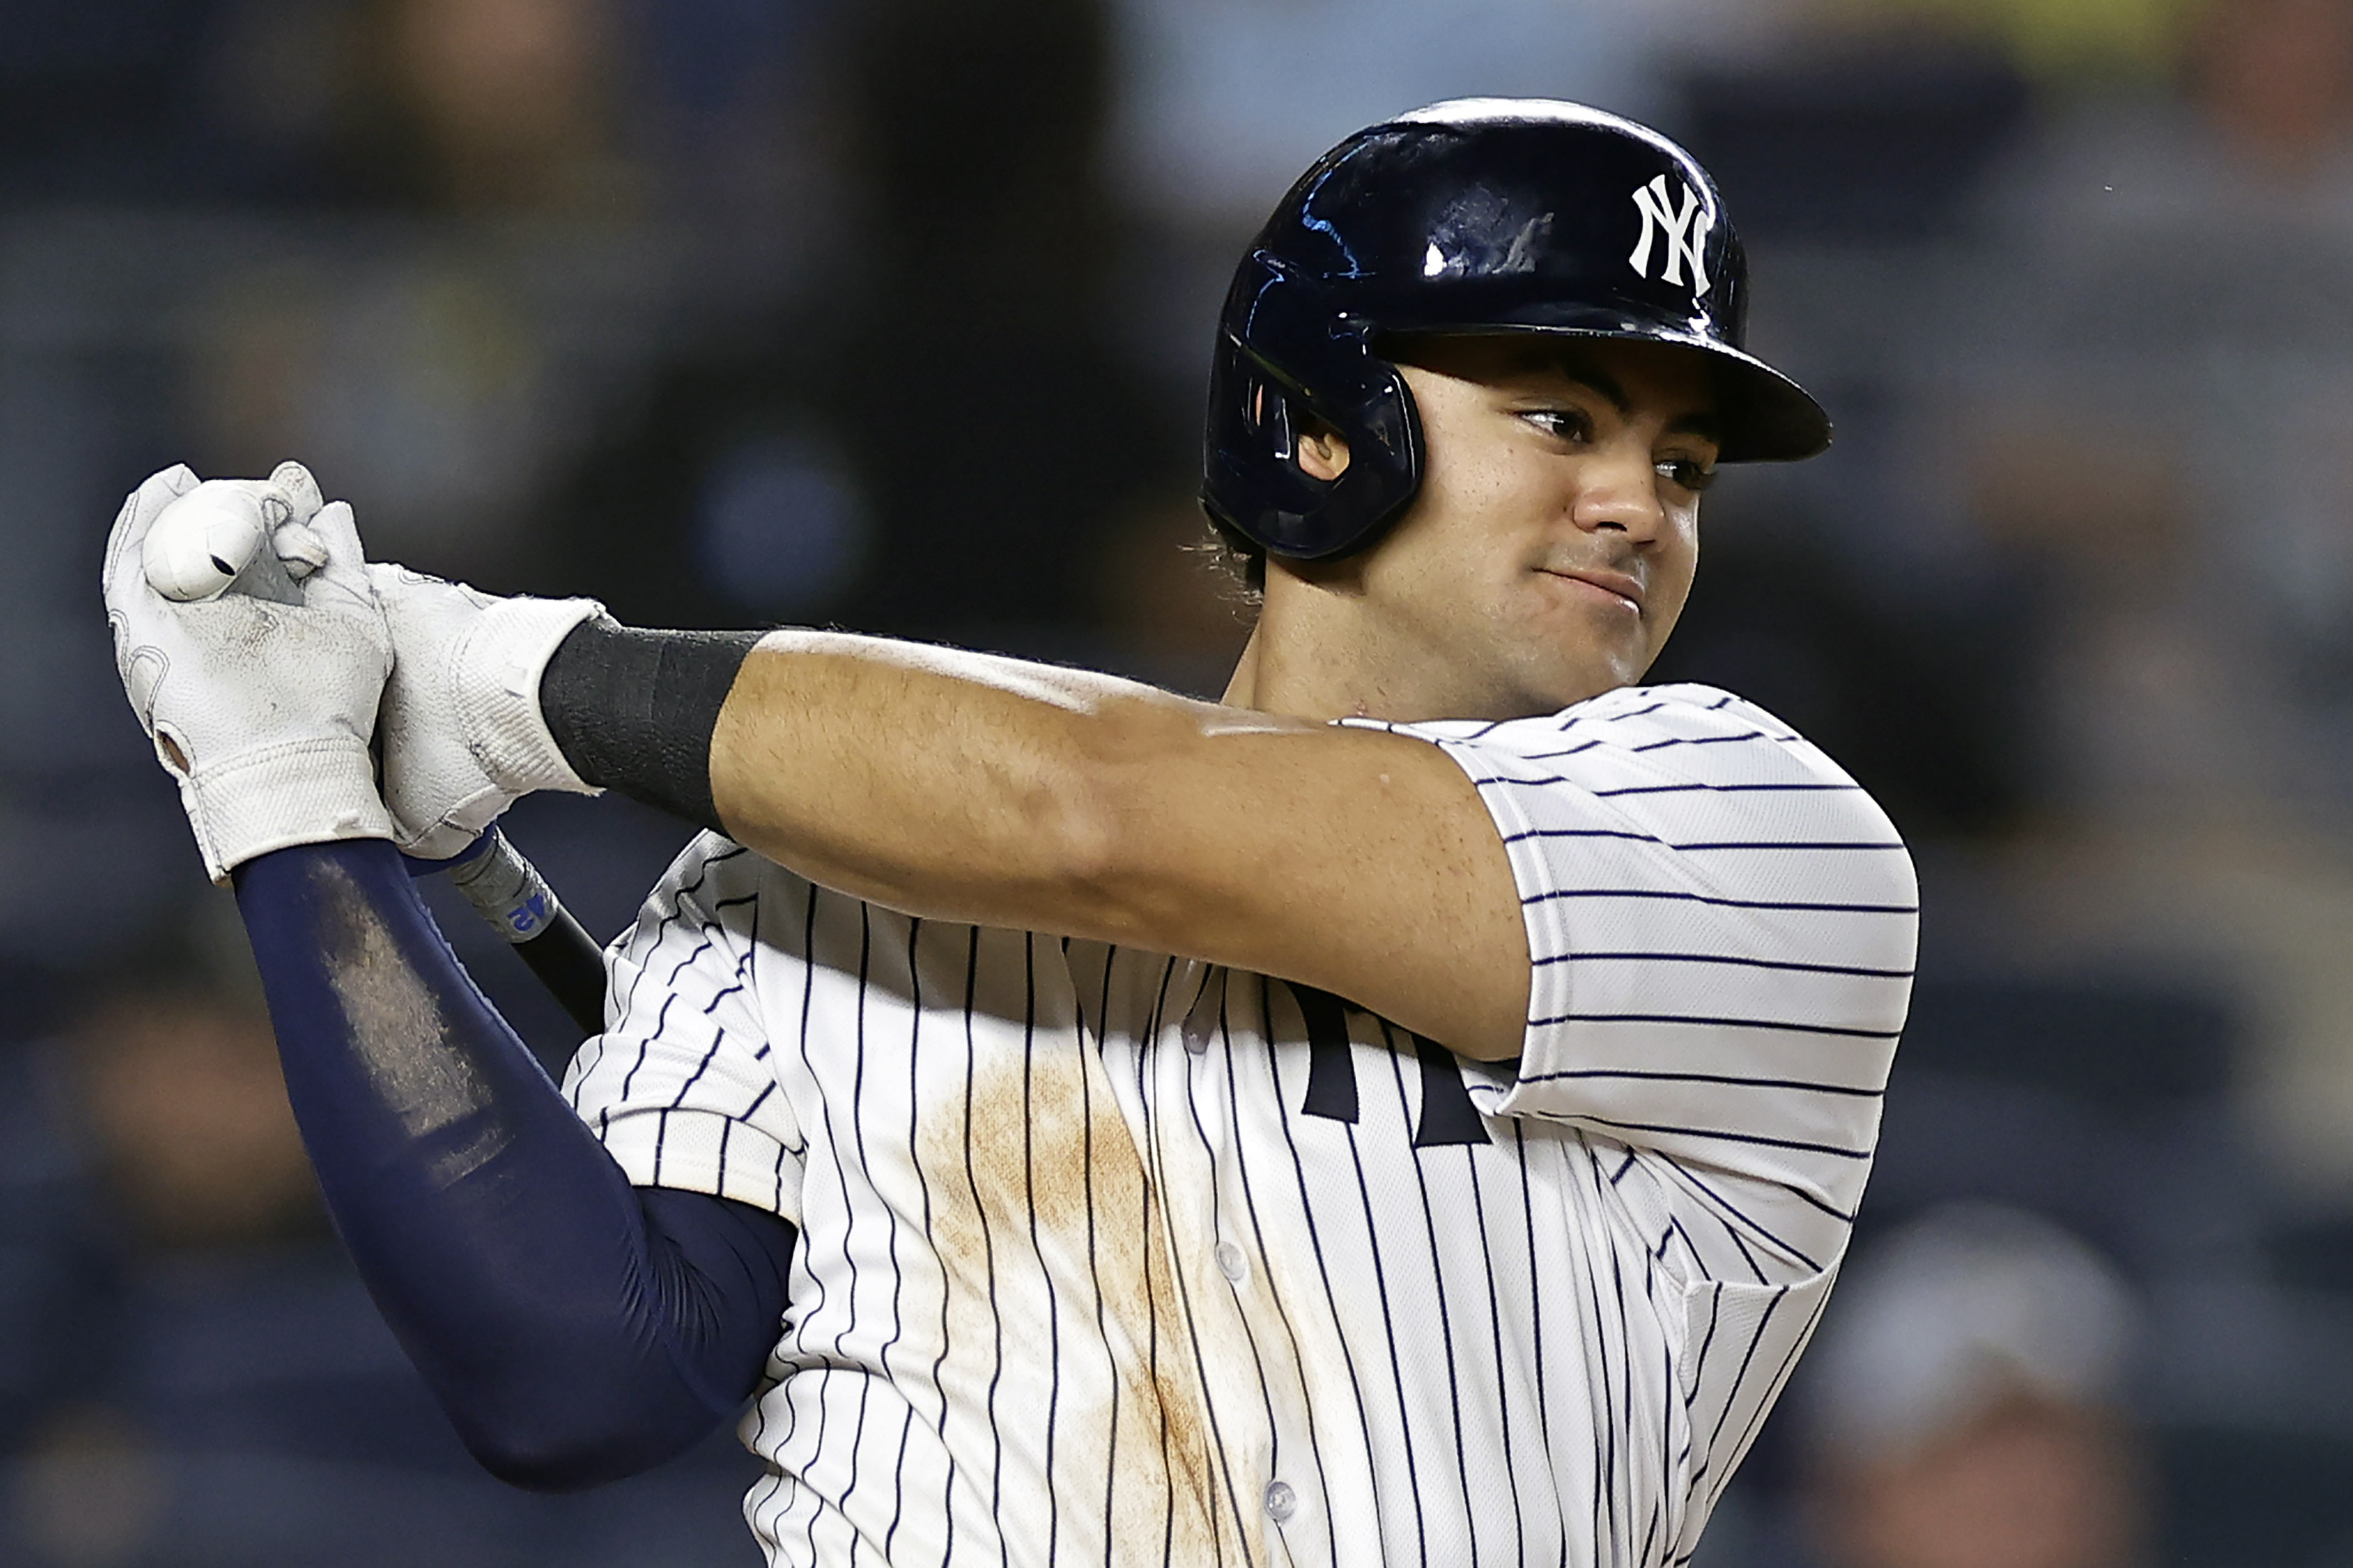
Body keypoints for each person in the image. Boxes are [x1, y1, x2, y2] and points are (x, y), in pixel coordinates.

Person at [98, 101, 1918, 1566]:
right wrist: (288, 801)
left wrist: (510, 677)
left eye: (1681, 464)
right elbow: (584, 1378)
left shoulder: (1752, 843)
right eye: (1563, 415)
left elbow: (1100, 817)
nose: (1641, 508)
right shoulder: (787, 865)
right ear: (1317, 423)